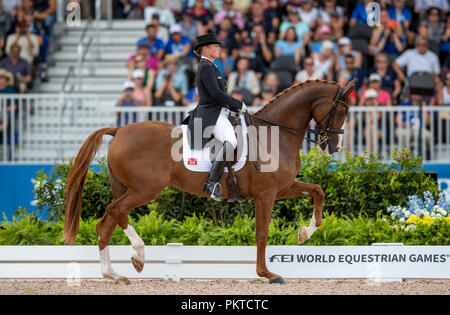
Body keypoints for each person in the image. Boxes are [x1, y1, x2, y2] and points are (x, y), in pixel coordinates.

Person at [184, 33, 245, 201]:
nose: (219, 48)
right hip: (211, 113)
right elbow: (216, 94)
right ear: (205, 48)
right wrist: (237, 104)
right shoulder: (204, 67)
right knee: (231, 142)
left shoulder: (212, 66)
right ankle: (211, 183)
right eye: (216, 46)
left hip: (219, 111)